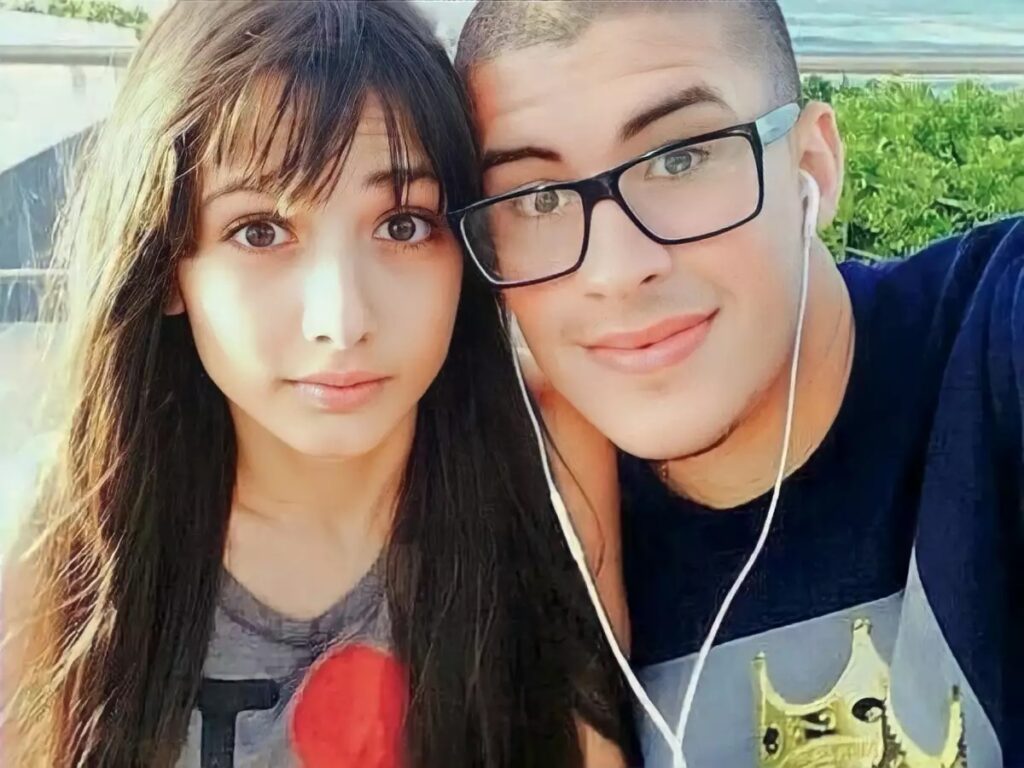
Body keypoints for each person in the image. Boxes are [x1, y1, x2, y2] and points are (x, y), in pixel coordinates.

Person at [0, 2, 638, 766]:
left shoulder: (550, 453)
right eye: (260, 232)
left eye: (402, 224)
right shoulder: (67, 531)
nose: (342, 320)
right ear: (166, 262)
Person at [451, 1, 1024, 766]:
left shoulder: (990, 349)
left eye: (680, 158)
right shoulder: (497, 531)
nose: (616, 271)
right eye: (539, 199)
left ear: (812, 166)